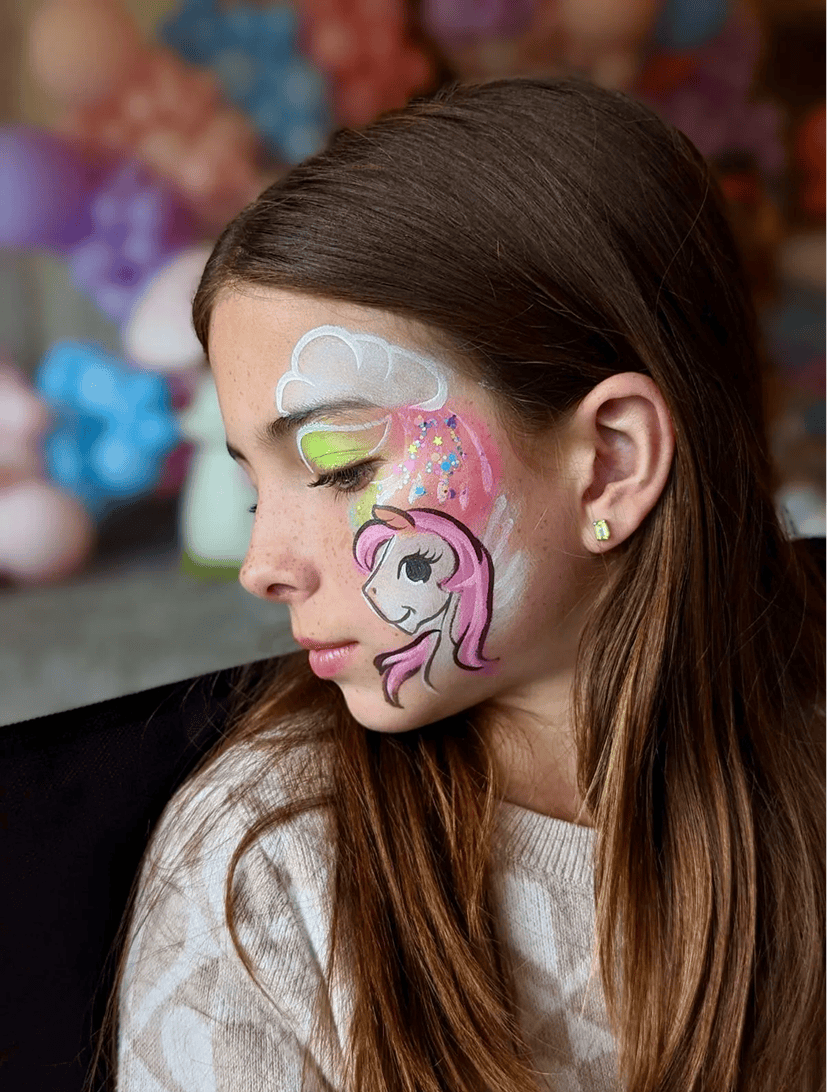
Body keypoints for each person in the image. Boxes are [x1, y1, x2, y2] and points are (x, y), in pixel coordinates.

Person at [108, 77, 824, 1091]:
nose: (262, 564)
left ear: (610, 462)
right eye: (248, 478)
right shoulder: (265, 874)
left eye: (344, 465)